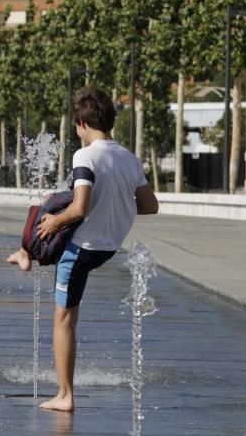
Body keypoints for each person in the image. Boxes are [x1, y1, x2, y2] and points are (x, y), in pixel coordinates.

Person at [9, 86, 158, 412]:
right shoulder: (129, 158)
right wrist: (115, 202)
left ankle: (65, 395)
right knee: (54, 204)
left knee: (63, 319)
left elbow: (79, 209)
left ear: (80, 122)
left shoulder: (85, 156)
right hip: (107, 247)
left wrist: (56, 222)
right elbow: (150, 205)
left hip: (82, 246)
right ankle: (24, 254)